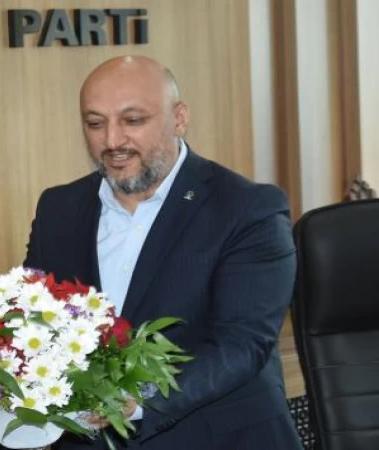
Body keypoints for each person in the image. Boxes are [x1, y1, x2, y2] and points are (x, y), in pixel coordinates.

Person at [23, 56, 302, 449]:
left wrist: (135, 400)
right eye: (95, 124)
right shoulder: (58, 208)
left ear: (179, 118)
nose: (112, 141)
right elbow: (32, 317)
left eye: (133, 120)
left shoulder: (247, 208)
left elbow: (242, 344)